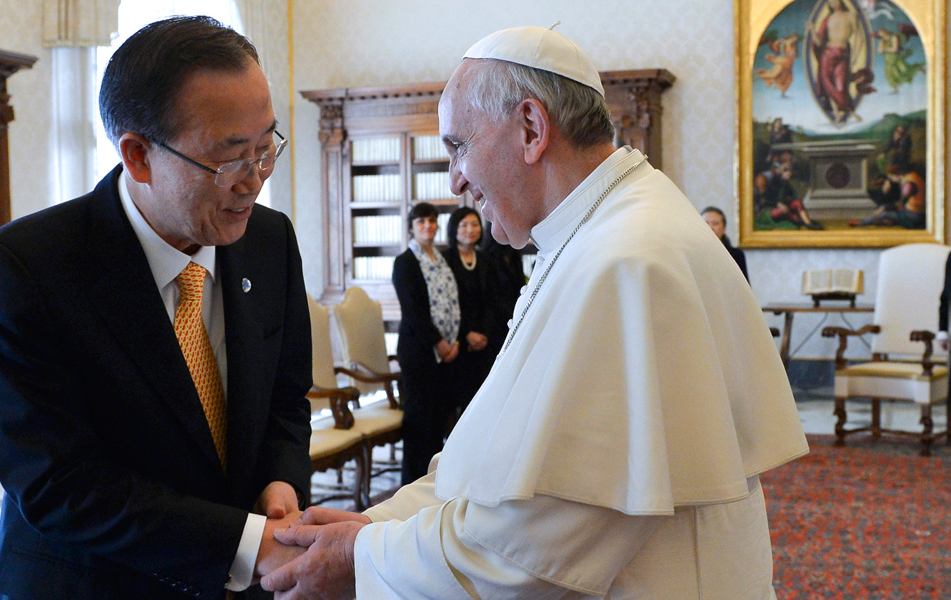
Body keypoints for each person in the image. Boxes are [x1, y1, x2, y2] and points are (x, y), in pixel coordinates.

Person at [261, 25, 808, 599]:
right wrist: (378, 524)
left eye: (458, 146)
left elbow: (535, 548)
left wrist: (365, 558)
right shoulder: (593, 233)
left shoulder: (623, 261)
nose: (454, 181)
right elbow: (489, 458)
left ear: (530, 128)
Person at [0, 16, 312, 600]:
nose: (254, 182)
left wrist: (281, 477)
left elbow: (285, 398)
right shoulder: (20, 273)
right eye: (229, 160)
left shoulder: (270, 240)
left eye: (265, 147)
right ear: (138, 155)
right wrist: (248, 545)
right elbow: (62, 486)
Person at [391, 202, 461, 486]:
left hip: (445, 354)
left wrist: (453, 342)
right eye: (421, 222)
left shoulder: (441, 259)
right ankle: (411, 485)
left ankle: (433, 484)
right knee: (419, 423)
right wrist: (439, 343)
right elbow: (413, 311)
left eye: (432, 221)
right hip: (419, 353)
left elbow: (452, 303)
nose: (428, 227)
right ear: (412, 227)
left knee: (438, 421)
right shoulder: (405, 262)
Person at [441, 206, 494, 415]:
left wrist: (484, 335)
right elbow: (445, 304)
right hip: (456, 343)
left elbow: (492, 301)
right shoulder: (445, 261)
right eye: (463, 225)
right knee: (457, 405)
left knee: (482, 405)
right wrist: (467, 334)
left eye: (474, 224)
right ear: (454, 229)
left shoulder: (486, 260)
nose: (469, 230)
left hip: (483, 343)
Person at [480, 220, 526, 357]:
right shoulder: (485, 258)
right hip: (495, 324)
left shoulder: (513, 255)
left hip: (514, 317)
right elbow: (490, 295)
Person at [702, 206, 749, 282]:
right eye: (705, 223)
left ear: (724, 228)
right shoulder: (692, 252)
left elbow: (743, 287)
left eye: (715, 223)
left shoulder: (736, 255)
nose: (710, 228)